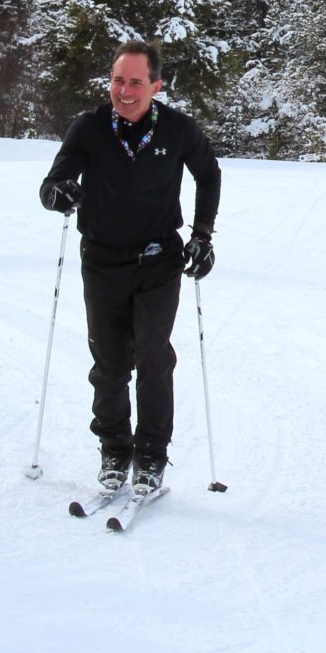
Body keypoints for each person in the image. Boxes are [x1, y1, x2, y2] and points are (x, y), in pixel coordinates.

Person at [39, 40, 219, 496]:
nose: (125, 90)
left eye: (136, 82)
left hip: (160, 259)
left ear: (156, 85)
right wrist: (58, 193)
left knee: (153, 355)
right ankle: (115, 450)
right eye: (118, 80)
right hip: (102, 259)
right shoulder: (90, 127)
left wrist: (202, 236)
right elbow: (53, 182)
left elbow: (208, 173)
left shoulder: (178, 129)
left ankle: (153, 456)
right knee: (110, 361)